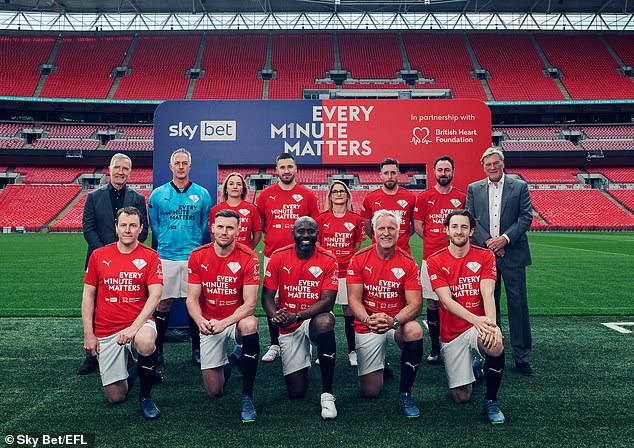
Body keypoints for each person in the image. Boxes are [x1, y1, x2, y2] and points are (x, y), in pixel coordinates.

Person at [81, 206, 163, 420]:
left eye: (133, 225)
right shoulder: (99, 255)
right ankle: (143, 368)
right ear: (116, 228)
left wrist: (134, 328)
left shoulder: (151, 257)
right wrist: (89, 334)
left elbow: (155, 295)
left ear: (140, 229)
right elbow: (88, 296)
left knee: (145, 342)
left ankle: (145, 397)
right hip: (107, 329)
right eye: (124, 225)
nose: (128, 230)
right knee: (116, 397)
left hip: (138, 324)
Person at [427, 209, 506, 424]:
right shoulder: (435, 260)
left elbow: (487, 293)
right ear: (447, 230)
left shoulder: (485, 255)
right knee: (461, 397)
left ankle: (491, 400)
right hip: (452, 333)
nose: (459, 231)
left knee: (495, 344)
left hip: (477, 327)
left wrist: (491, 325)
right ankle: (475, 368)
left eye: (464, 227)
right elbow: (446, 301)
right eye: (454, 227)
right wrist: (477, 320)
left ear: (471, 231)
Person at [347, 209, 424, 419]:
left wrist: (394, 320)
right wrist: (367, 319)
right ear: (373, 230)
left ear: (399, 232)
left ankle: (405, 394)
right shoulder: (359, 259)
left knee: (415, 330)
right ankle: (381, 365)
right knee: (370, 392)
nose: (386, 232)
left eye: (392, 228)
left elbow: (416, 304)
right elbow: (353, 299)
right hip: (368, 323)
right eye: (381, 228)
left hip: (395, 322)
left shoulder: (408, 262)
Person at [186, 209, 261, 423]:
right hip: (209, 322)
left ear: (238, 230)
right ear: (212, 228)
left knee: (250, 324)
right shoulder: (198, 255)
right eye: (220, 227)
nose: (224, 232)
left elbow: (250, 304)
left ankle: (247, 395)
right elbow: (191, 299)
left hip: (234, 320)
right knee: (214, 391)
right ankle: (237, 355)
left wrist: (225, 323)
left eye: (230, 227)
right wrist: (200, 321)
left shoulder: (249, 257)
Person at [261, 217, 339, 420]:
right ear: (293, 233)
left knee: (325, 322)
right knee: (296, 392)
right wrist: (275, 316)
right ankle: (303, 355)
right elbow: (267, 297)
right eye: (301, 231)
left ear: (317, 234)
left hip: (310, 318)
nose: (306, 235)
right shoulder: (279, 257)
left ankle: (327, 394)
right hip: (289, 324)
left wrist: (297, 316)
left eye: (311, 231)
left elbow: (328, 302)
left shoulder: (328, 258)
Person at [79, 153, 149, 375]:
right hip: (99, 259)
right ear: (109, 169)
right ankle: (92, 355)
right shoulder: (93, 197)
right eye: (117, 168)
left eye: (125, 169)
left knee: (126, 305)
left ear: (130, 172)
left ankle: (130, 353)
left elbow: (144, 229)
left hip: (129, 262)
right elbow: (88, 229)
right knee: (95, 306)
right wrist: (104, 252)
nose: (121, 172)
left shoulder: (137, 197)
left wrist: (124, 251)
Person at [466, 147, 534, 376]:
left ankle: (521, 355)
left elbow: (526, 216)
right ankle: (490, 350)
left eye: (496, 163)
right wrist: (489, 243)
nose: (492, 167)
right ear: (483, 166)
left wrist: (504, 240)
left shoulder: (520, 186)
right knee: (487, 306)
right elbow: (471, 219)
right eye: (488, 164)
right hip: (485, 256)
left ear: (503, 163)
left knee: (518, 306)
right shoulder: (474, 188)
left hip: (513, 254)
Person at [148, 148, 212, 369]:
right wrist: (166, 240)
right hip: (166, 256)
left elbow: (203, 225)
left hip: (192, 257)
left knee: (193, 304)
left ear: (190, 166)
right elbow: (155, 225)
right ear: (171, 166)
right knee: (163, 303)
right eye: (177, 163)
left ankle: (197, 349)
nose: (181, 166)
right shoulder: (158, 194)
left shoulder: (202, 194)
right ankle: (158, 351)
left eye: (185, 163)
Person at [256, 153, 320, 363]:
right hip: (273, 256)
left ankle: (308, 341)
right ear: (276, 169)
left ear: (296, 169)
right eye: (282, 167)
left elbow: (314, 226)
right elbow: (262, 223)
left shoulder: (307, 194)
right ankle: (275, 344)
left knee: (304, 297)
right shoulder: (265, 195)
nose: (286, 171)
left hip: (302, 257)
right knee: (273, 300)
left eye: (289, 167)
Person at [413, 156, 466, 365]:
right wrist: (434, 240)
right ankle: (435, 348)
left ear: (453, 172)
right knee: (433, 303)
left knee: (456, 301)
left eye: (447, 170)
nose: (443, 173)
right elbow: (418, 225)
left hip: (456, 259)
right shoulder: (424, 197)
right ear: (434, 172)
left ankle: (455, 342)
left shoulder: (461, 197)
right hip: (431, 259)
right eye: (440, 170)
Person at [316, 180, 365, 366]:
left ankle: (352, 351)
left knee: (348, 311)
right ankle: (323, 351)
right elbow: (318, 246)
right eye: (335, 191)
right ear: (329, 196)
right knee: (324, 312)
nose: (338, 194)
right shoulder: (321, 219)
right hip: (327, 273)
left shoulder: (356, 219)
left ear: (347, 195)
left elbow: (357, 246)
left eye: (341, 191)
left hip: (347, 273)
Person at [361, 158, 416, 253]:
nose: (389, 176)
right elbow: (366, 225)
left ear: (398, 175)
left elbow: (415, 224)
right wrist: (378, 236)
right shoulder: (370, 198)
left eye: (393, 173)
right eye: (386, 173)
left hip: (402, 252)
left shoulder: (410, 197)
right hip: (378, 252)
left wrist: (404, 235)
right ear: (381, 175)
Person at [209, 172, 262, 249]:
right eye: (231, 184)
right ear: (226, 188)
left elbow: (258, 234)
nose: (235, 187)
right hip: (223, 253)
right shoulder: (215, 209)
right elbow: (213, 234)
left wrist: (247, 249)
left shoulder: (252, 208)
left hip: (244, 255)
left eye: (239, 184)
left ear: (243, 188)